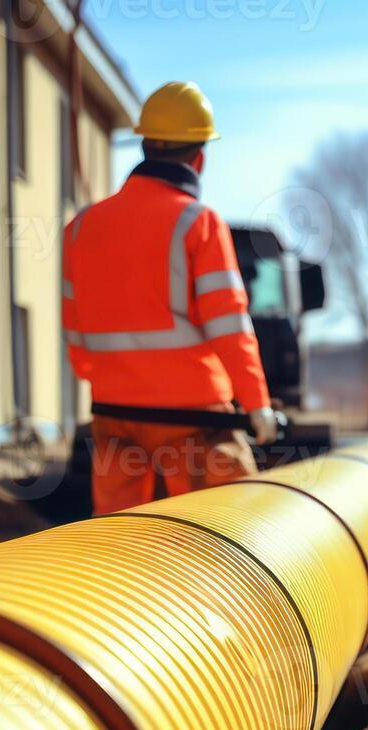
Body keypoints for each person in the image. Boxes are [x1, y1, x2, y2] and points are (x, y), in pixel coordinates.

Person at [62, 81, 277, 514]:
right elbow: (229, 324)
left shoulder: (82, 227)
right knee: (233, 534)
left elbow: (76, 331)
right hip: (195, 418)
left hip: (114, 413)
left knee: (117, 540)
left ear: (144, 147)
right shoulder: (198, 222)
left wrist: (108, 379)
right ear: (199, 156)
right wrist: (257, 405)